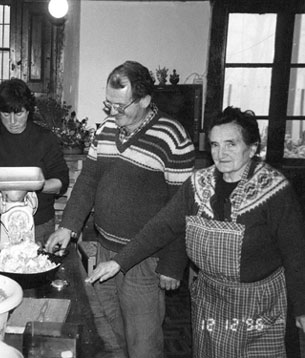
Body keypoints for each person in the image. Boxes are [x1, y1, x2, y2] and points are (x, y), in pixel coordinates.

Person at [86, 106, 305, 357]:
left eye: (230, 144)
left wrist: (302, 308)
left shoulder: (274, 189)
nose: (221, 153)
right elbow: (162, 226)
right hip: (211, 300)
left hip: (259, 307)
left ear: (252, 148)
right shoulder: (199, 183)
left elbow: (296, 253)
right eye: (214, 145)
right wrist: (118, 263)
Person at [46, 60, 195, 358]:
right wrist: (68, 225)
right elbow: (87, 180)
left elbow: (182, 209)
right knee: (110, 333)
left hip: (145, 258)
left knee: (143, 342)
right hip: (104, 250)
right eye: (108, 105)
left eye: (121, 107)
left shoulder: (172, 137)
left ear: (145, 100)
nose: (113, 113)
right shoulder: (105, 130)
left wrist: (172, 263)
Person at [0, 78, 69, 249]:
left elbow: (61, 182)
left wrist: (31, 185)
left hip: (38, 223)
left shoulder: (45, 139)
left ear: (29, 111)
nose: (12, 122)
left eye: (19, 114)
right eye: (5, 114)